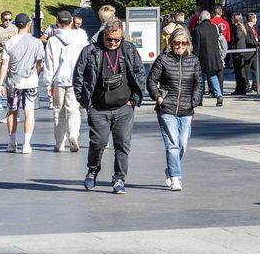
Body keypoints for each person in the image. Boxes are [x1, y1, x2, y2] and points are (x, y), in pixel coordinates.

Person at [73, 18, 145, 194]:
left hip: (124, 107)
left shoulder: (128, 50)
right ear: (103, 35)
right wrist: (85, 102)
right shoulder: (90, 51)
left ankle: (119, 179)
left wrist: (134, 99)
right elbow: (78, 76)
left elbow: (139, 72)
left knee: (122, 144)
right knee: (98, 143)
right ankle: (92, 171)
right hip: (98, 107)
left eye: (117, 40)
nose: (113, 43)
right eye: (109, 39)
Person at [147, 25, 202, 191]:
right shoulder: (163, 59)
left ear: (188, 44)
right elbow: (151, 80)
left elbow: (199, 83)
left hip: (186, 108)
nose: (180, 46)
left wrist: (195, 100)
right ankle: (175, 177)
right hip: (167, 108)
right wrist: (158, 97)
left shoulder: (193, 60)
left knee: (183, 144)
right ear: (171, 43)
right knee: (172, 144)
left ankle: (171, 168)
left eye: (183, 43)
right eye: (177, 43)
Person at [43, 9, 89, 152]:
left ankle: (59, 142)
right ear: (71, 22)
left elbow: (49, 63)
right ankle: (74, 135)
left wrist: (48, 82)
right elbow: (86, 59)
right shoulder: (81, 38)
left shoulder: (53, 41)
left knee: (58, 111)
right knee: (74, 110)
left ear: (58, 22)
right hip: (75, 79)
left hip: (58, 79)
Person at [0, 13, 44, 153]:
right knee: (29, 112)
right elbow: (39, 64)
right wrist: (36, 74)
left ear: (15, 25)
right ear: (29, 24)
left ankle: (12, 142)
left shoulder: (9, 42)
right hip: (30, 81)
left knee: (12, 112)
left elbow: (4, 65)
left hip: (13, 82)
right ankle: (26, 144)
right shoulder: (37, 42)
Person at [190, 11, 225, 106]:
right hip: (214, 56)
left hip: (202, 57)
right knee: (213, 76)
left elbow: (196, 47)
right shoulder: (215, 28)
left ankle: (199, 99)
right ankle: (219, 95)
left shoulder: (197, 29)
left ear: (200, 18)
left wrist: (193, 58)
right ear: (209, 18)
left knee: (200, 79)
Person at [230, 13, 253, 95]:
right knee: (239, 71)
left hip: (238, 51)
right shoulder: (241, 27)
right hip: (240, 50)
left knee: (239, 71)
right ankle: (240, 88)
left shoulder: (238, 28)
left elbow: (238, 36)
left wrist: (234, 43)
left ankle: (240, 88)